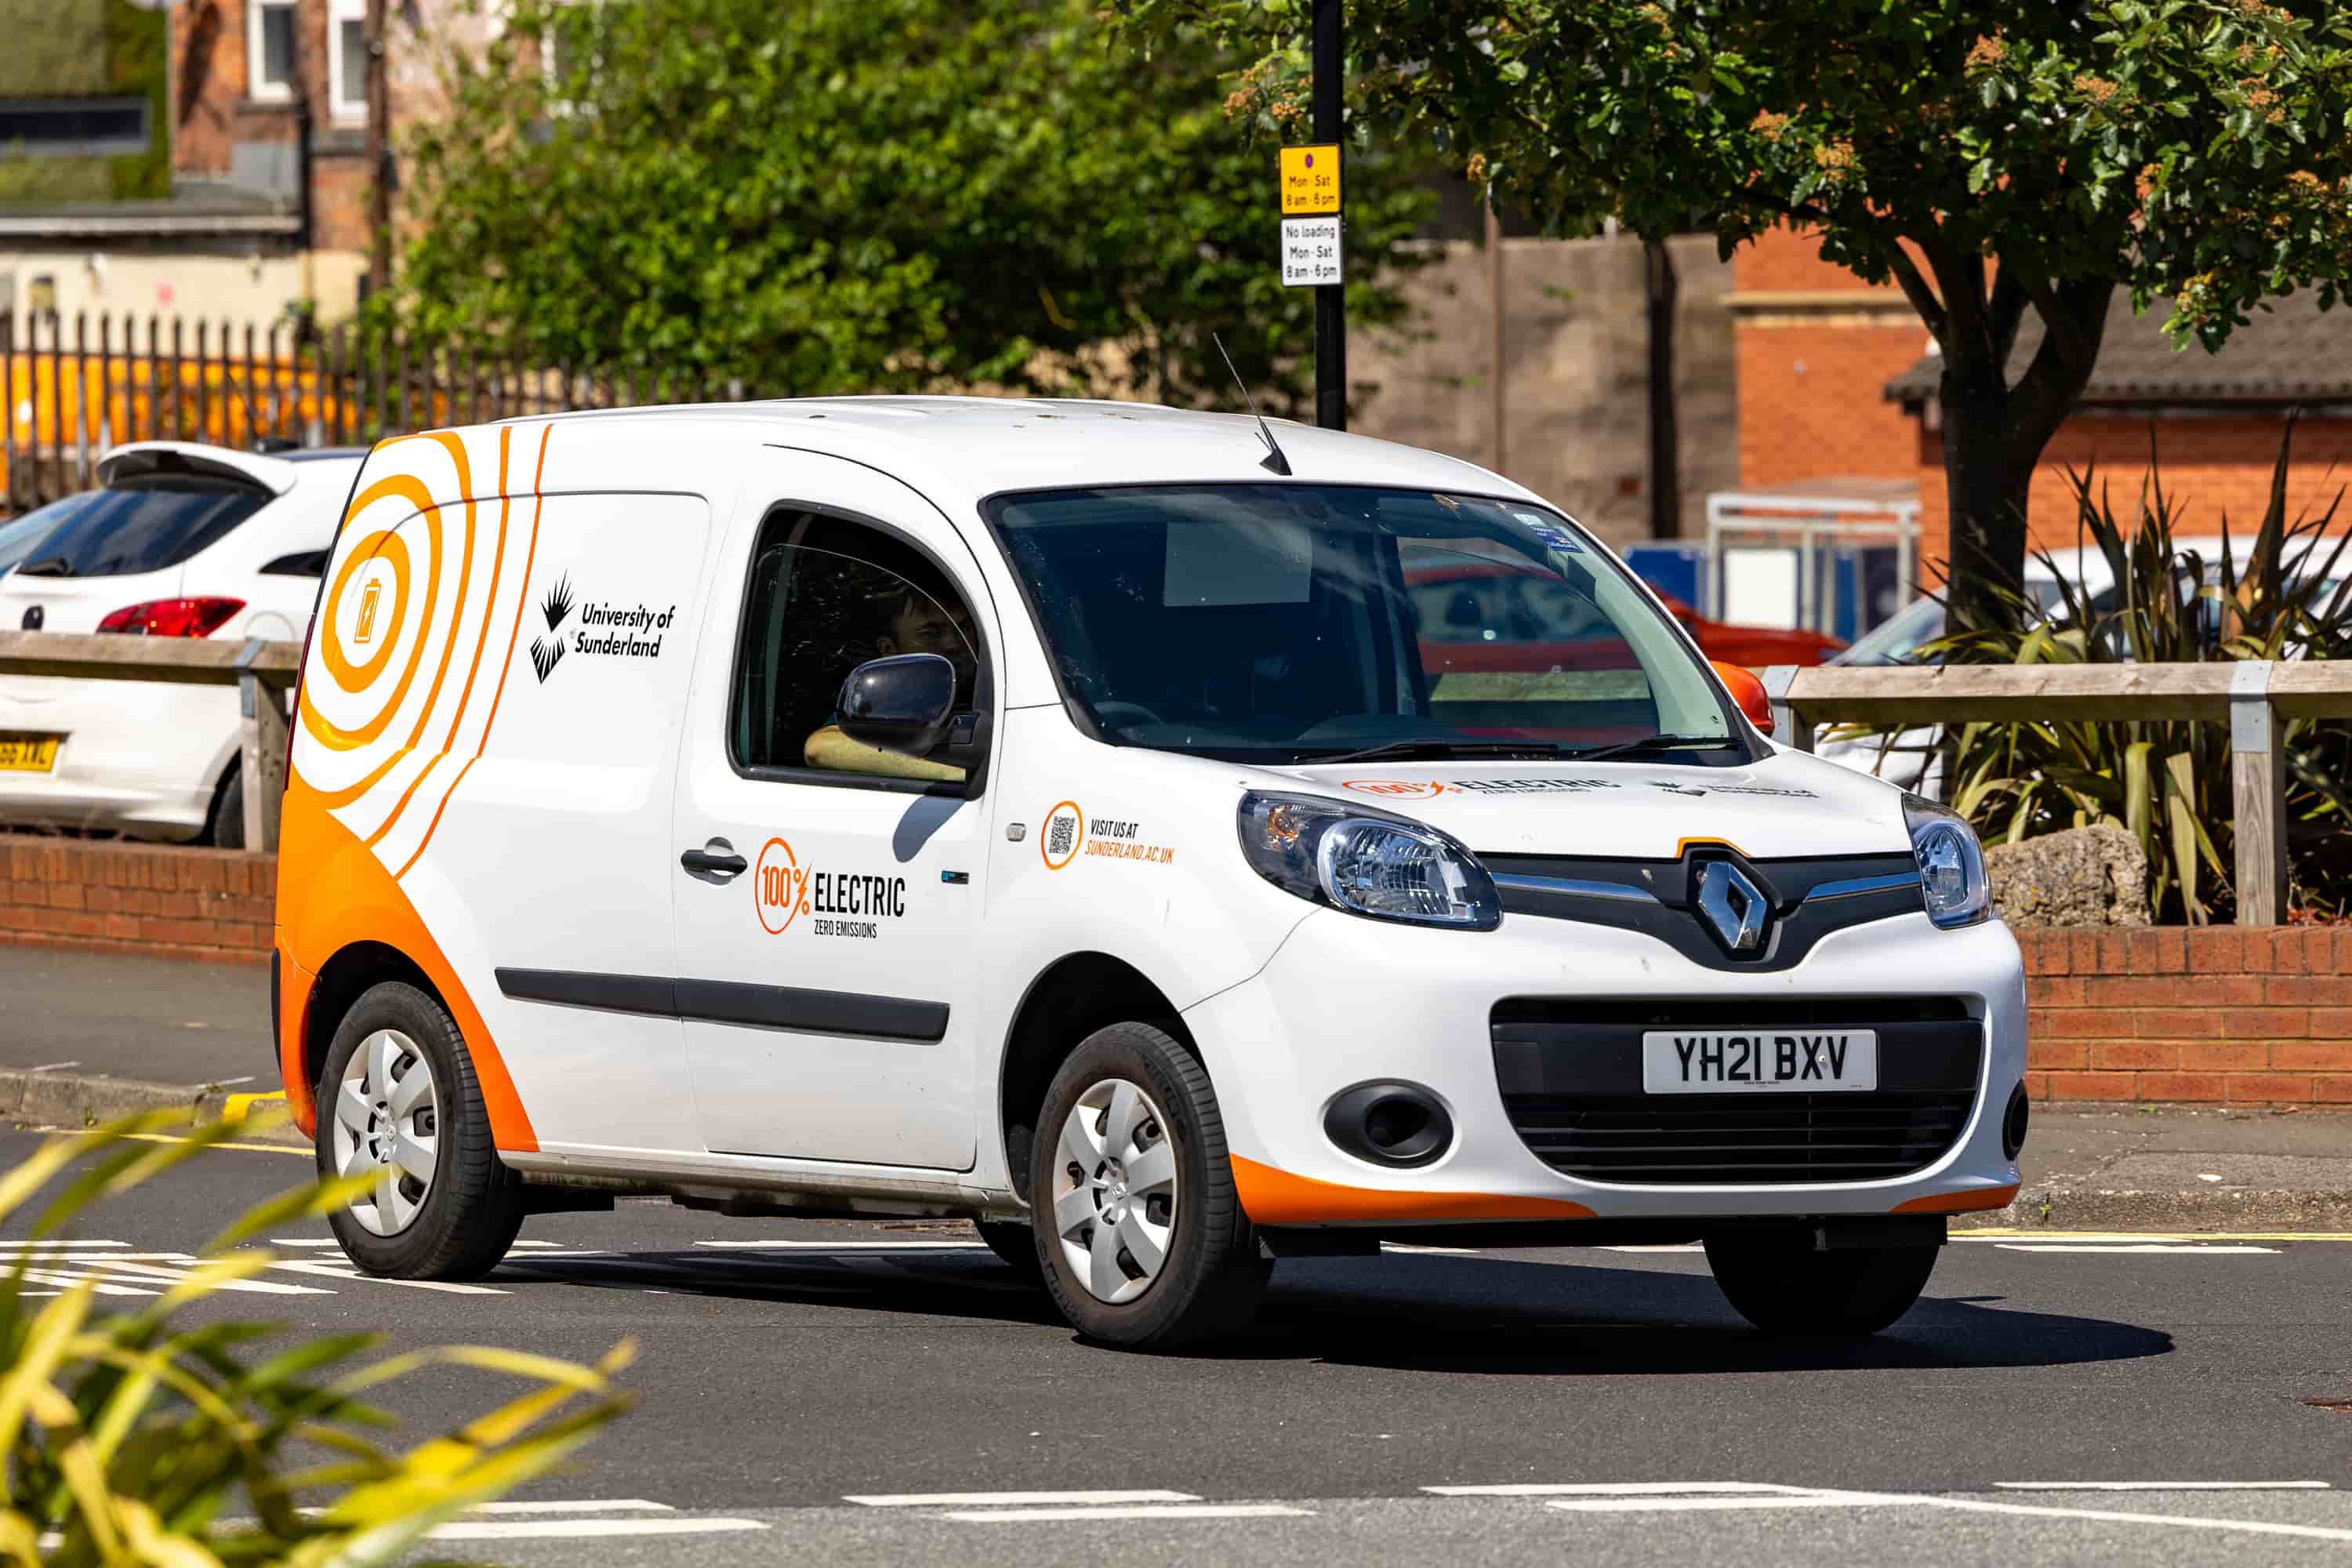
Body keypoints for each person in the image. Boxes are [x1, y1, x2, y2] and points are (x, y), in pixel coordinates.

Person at [804, 575, 976, 782]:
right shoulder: (888, 698)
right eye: (931, 633)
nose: (953, 644)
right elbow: (822, 748)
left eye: (964, 628)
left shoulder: (1002, 682)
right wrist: (960, 774)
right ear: (889, 649)